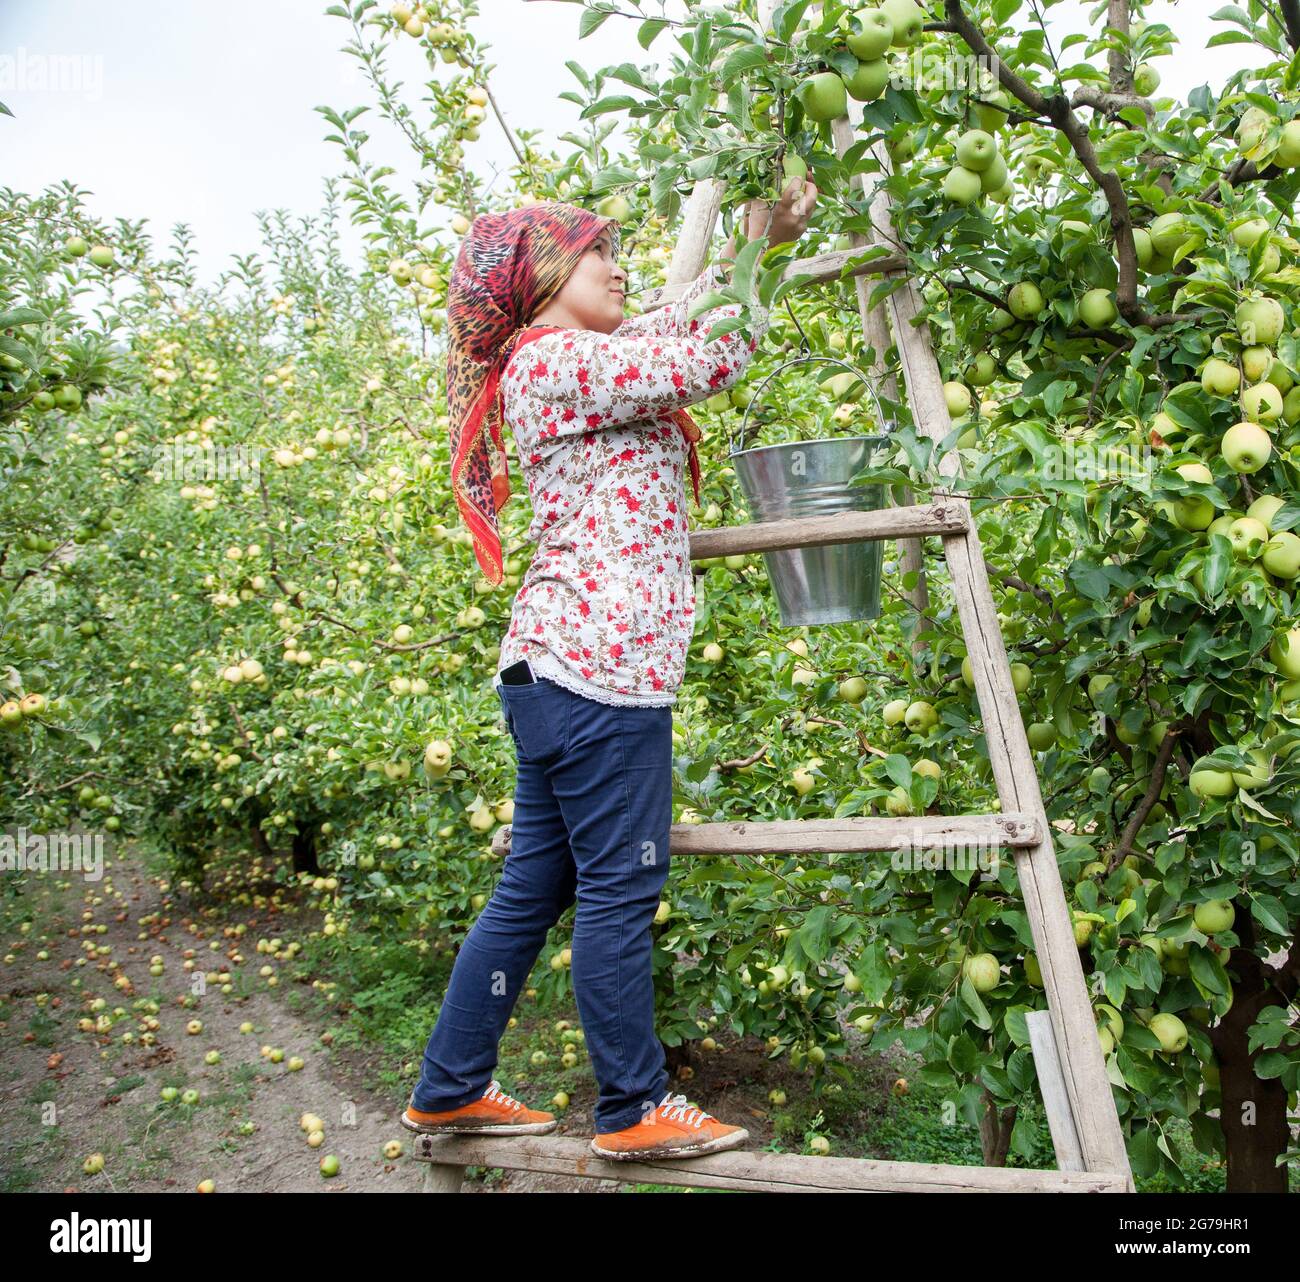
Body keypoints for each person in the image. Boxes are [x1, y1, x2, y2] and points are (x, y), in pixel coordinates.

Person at [403, 177, 817, 1163]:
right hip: (599, 671)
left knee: (532, 891)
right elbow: (707, 355)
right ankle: (633, 1105)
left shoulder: (576, 355)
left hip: (558, 669)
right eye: (599, 252)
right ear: (549, 274)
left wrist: (755, 245)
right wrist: (753, 254)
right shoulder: (555, 361)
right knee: (620, 891)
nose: (619, 267)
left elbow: (678, 319)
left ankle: (449, 1088)